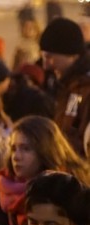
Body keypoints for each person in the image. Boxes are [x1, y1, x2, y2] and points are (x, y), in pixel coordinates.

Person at [38, 17, 90, 156]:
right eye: (43, 57)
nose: (46, 65)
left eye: (50, 57)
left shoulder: (85, 89)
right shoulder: (67, 86)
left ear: (71, 55)